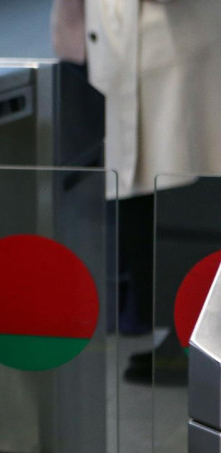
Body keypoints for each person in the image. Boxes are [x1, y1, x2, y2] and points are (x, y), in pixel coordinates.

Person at [83, 0, 221, 383]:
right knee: (145, 196)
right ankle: (182, 339)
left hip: (170, 45)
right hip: (139, 47)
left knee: (173, 198)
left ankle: (195, 342)